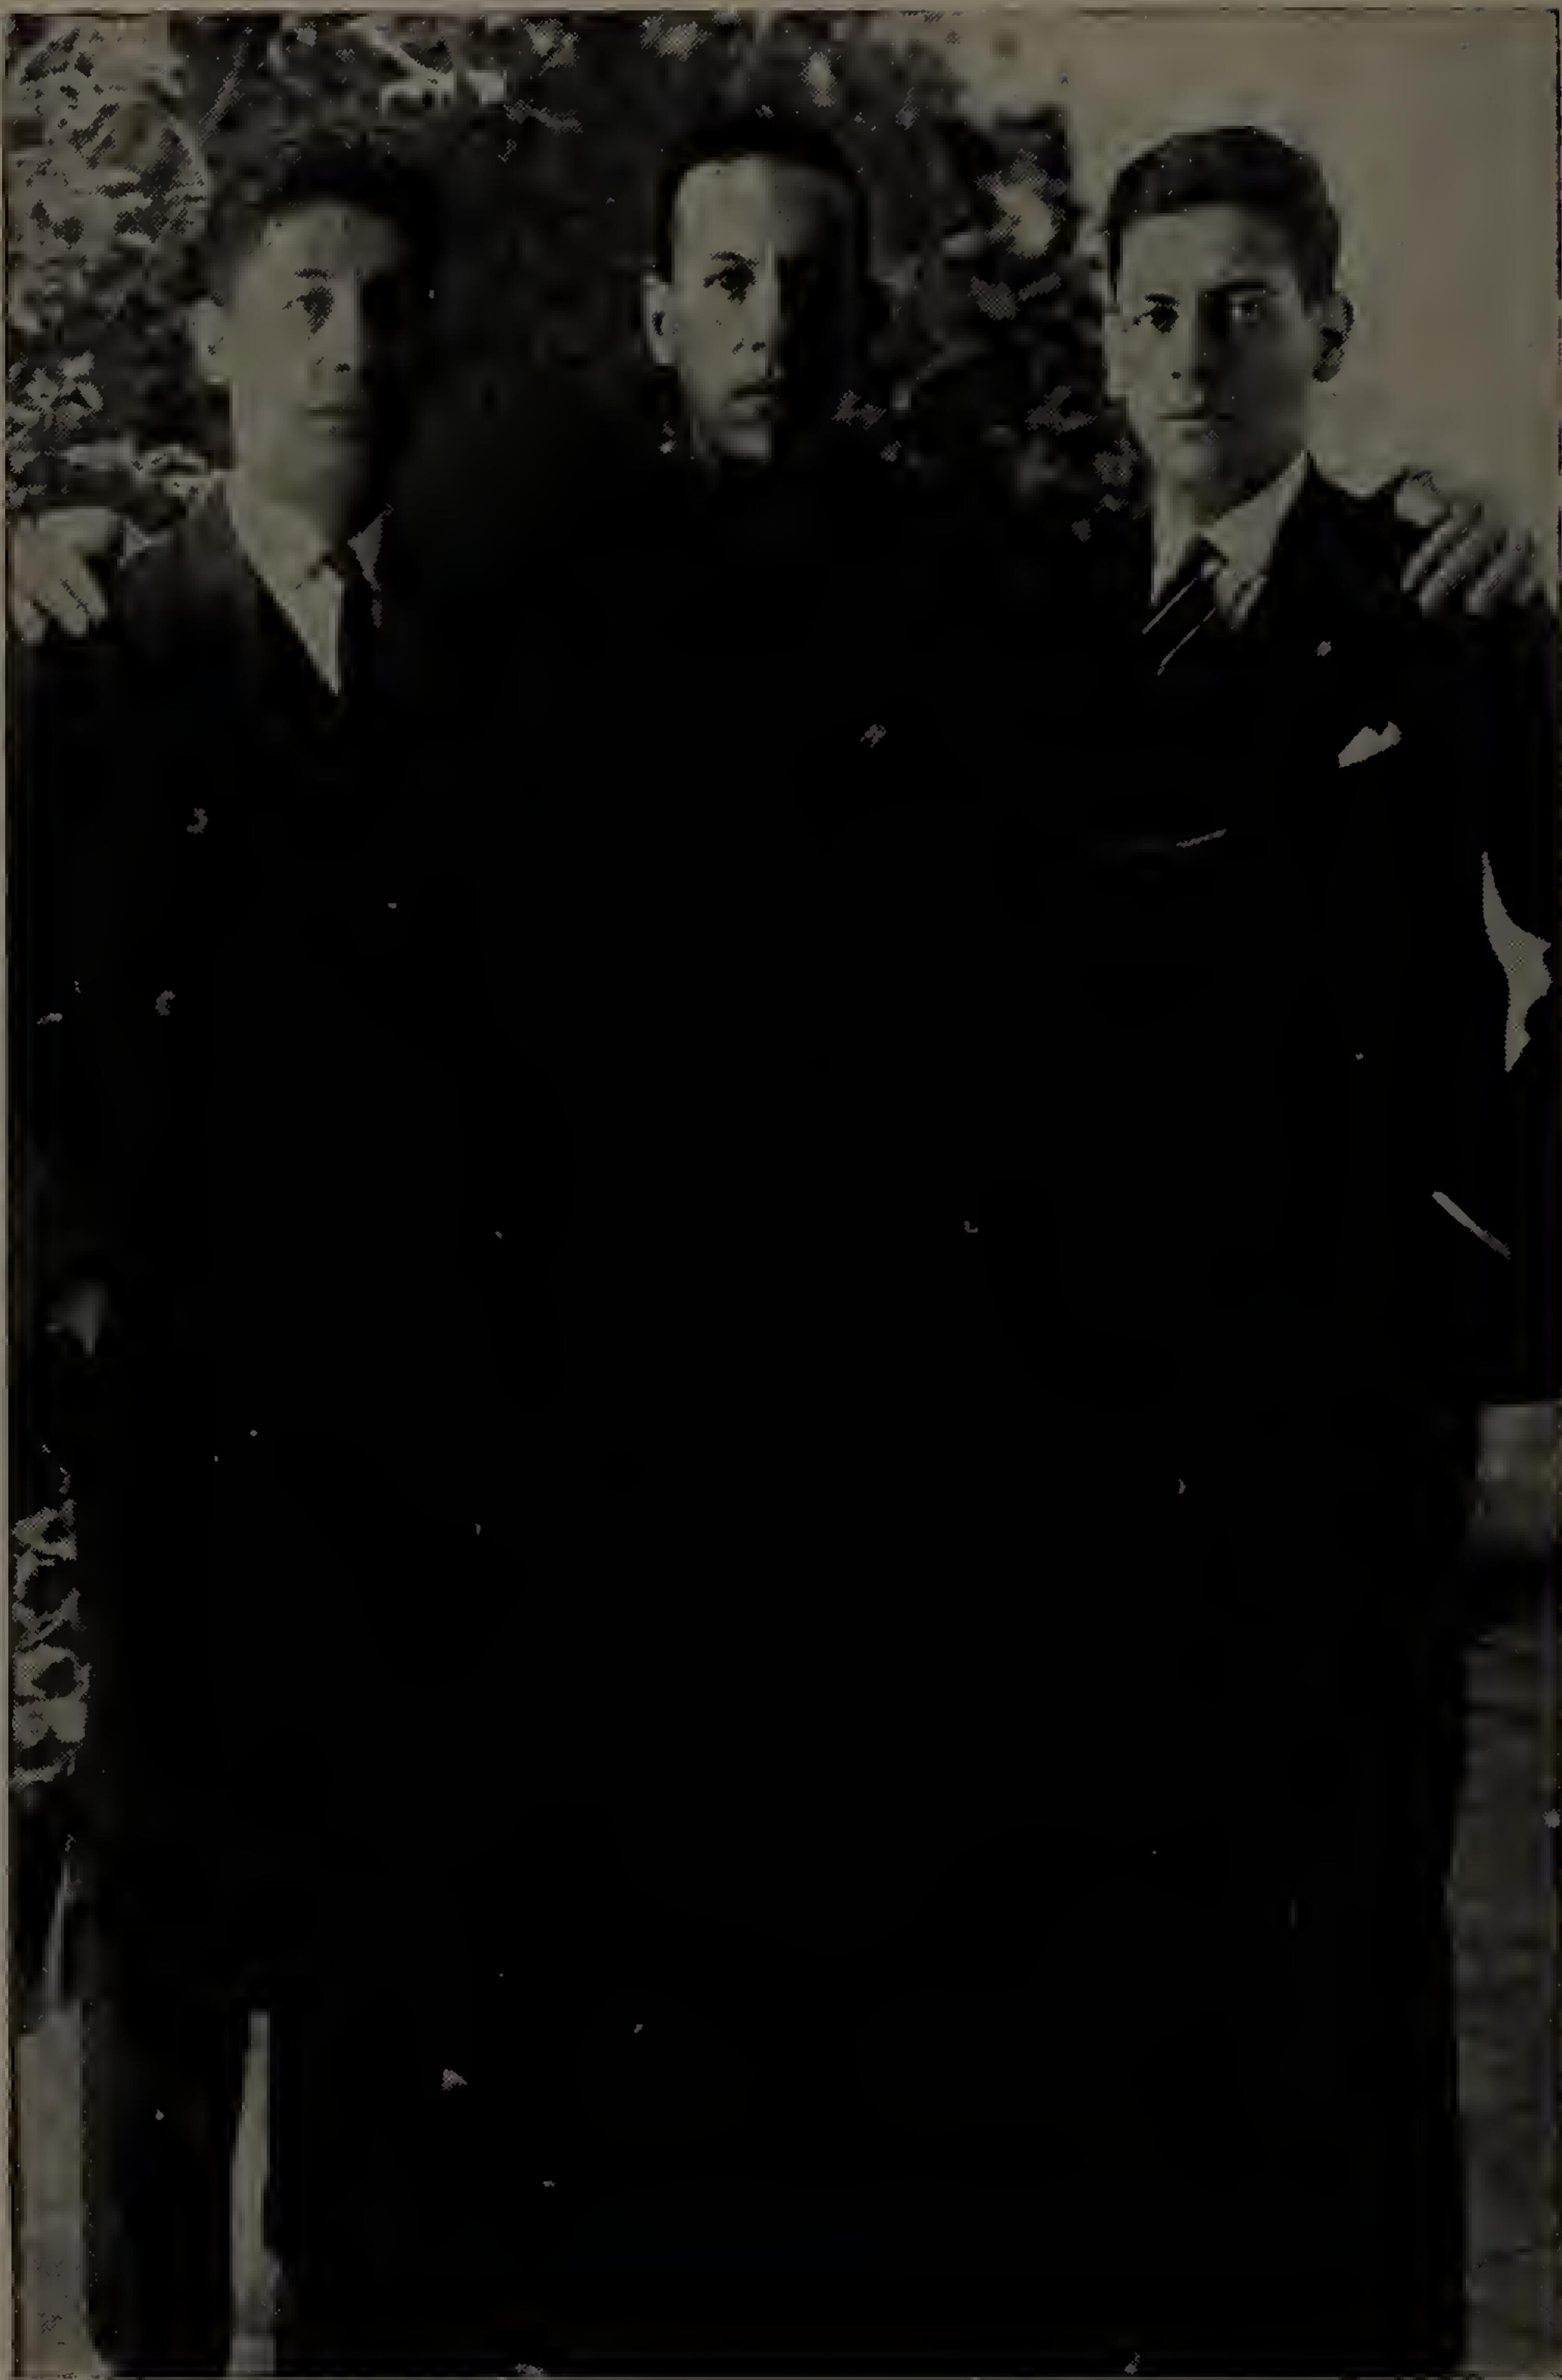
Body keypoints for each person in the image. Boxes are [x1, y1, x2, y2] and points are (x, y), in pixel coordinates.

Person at [962, 124, 1555, 2373]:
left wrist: (1475, 1231)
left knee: (1349, 1989)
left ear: (1333, 328)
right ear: (1101, 347)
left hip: (1335, 1417)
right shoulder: (1037, 630)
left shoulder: (1442, 602)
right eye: (1147, 310)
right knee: (1116, 1974)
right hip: (1083, 1437)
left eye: (1239, 303)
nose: (1191, 352)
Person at [12, 137, 585, 2374]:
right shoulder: (80, 651)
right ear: (215, 345)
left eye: (385, 309)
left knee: (382, 2040)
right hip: (180, 1473)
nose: (351, 346)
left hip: (430, 1480)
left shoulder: (494, 665)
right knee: (158, 2042)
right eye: (306, 303)